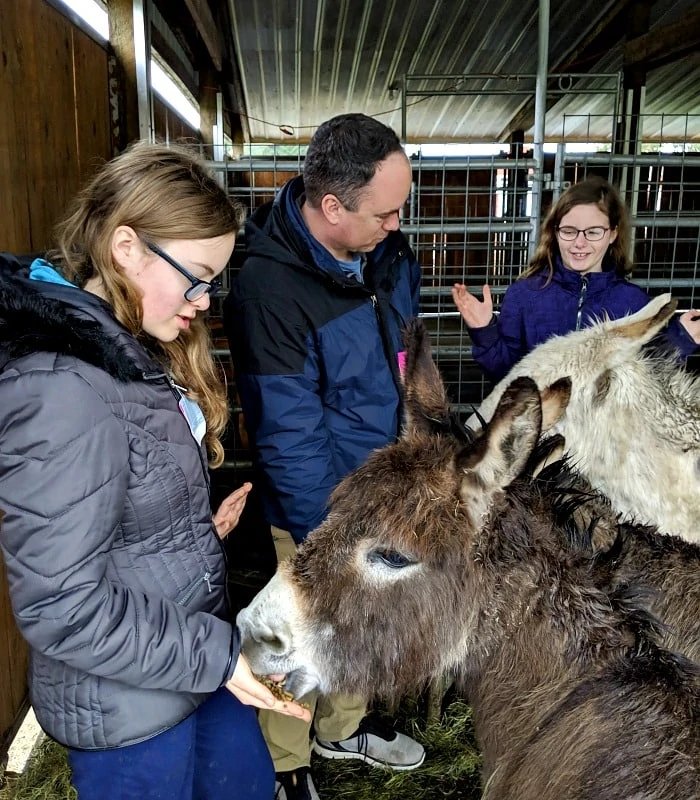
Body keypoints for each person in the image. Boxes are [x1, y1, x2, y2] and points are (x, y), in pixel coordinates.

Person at [0, 141, 310, 800]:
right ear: (125, 248)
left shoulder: (131, 347)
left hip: (189, 657)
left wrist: (194, 528)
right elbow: (61, 607)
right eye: (196, 275)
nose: (203, 300)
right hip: (129, 707)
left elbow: (118, 512)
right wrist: (221, 657)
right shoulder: (63, 389)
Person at [224, 114, 425, 800]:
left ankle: (343, 731)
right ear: (333, 206)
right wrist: (332, 533)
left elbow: (406, 356)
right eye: (386, 211)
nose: (397, 224)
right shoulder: (268, 292)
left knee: (370, 624)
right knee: (304, 625)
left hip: (389, 488)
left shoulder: (388, 255)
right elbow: (286, 432)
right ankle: (286, 763)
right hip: (321, 506)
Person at [452, 175, 700, 383]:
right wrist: (484, 330)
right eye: (569, 231)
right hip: (541, 431)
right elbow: (506, 376)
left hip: (604, 436)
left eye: (593, 232)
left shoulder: (635, 302)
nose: (579, 243)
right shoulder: (524, 295)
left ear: (612, 234)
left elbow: (646, 378)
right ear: (555, 232)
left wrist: (680, 339)